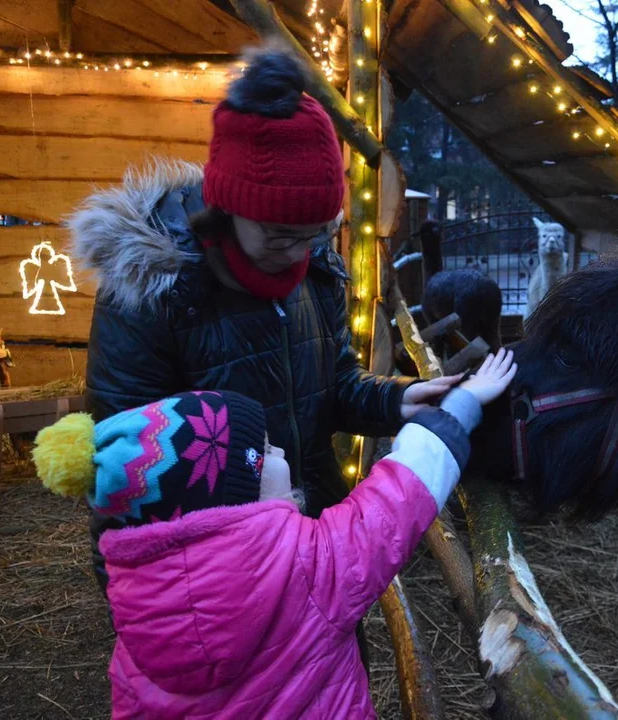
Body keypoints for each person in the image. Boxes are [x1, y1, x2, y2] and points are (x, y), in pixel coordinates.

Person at [65, 41, 460, 618]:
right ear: (228, 207)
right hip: (213, 579)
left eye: (317, 231)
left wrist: (398, 401)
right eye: (280, 235)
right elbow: (124, 470)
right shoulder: (153, 293)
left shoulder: (315, 269)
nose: (300, 251)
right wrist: (150, 610)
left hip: (316, 550)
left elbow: (331, 385)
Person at [30, 350, 516, 720]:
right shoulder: (308, 568)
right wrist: (460, 407)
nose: (283, 451)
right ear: (239, 502)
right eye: (267, 454)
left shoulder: (137, 608)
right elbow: (396, 499)